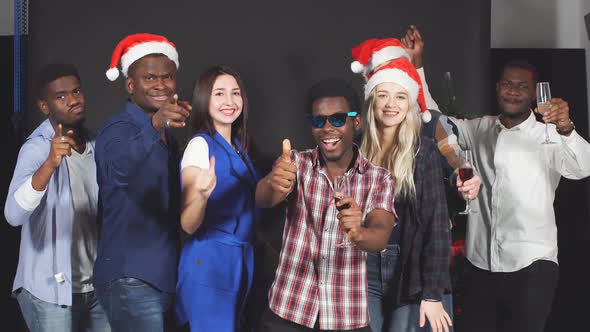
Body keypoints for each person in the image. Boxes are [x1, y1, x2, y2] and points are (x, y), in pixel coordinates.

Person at [435, 59, 590, 332]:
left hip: (532, 265)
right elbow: (437, 123)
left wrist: (566, 129)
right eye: (507, 84)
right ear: (497, 88)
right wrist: (416, 69)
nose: (513, 91)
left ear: (533, 94)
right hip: (480, 263)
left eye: (522, 86)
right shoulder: (480, 128)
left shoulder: (550, 134)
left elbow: (582, 168)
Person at [349, 37, 478, 332]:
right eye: (382, 95)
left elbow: (435, 224)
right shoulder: (355, 149)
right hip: (361, 268)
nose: (391, 104)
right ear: (371, 101)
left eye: (400, 97)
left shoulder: (424, 151)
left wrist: (431, 293)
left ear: (409, 104)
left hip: (408, 265)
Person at [256, 79, 397, 331]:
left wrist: (358, 232)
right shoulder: (296, 163)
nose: (328, 128)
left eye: (338, 119)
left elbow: (380, 236)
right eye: (319, 121)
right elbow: (263, 198)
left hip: (345, 317)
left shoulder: (379, 178)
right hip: (288, 311)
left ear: (356, 121)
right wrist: (272, 182)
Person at [93, 33, 190, 331]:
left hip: (162, 275)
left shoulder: (167, 136)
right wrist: (155, 124)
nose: (161, 85)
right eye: (150, 78)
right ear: (130, 85)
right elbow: (117, 171)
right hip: (130, 277)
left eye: (167, 77)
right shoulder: (118, 128)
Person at [5, 64, 110, 332]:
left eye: (76, 91)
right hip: (50, 293)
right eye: (61, 96)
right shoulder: (37, 148)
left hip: (94, 287)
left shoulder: (95, 144)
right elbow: (13, 215)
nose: (73, 100)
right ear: (44, 106)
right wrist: (50, 164)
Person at [175, 65, 260, 331]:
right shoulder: (200, 146)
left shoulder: (239, 147)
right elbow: (188, 224)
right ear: (204, 99)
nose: (230, 101)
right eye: (219, 94)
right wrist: (200, 194)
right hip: (209, 263)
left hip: (236, 260)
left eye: (235, 93)